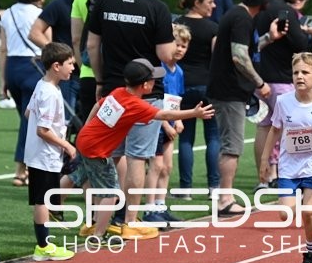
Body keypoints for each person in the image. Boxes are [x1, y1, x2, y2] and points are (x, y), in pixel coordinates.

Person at [71, 59, 214, 242]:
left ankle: (91, 224)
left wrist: (86, 127)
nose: (156, 83)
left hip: (85, 141)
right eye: (153, 80)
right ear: (145, 85)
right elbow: (164, 114)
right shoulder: (136, 105)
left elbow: (98, 105)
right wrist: (194, 113)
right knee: (111, 194)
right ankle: (98, 234)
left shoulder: (118, 92)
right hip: (96, 151)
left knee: (91, 184)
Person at [86, 0, 175, 239]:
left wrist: (101, 80)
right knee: (137, 157)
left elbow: (92, 45)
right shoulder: (157, 8)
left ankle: (99, 218)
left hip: (113, 89)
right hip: (145, 93)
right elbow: (166, 55)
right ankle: (129, 221)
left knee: (111, 154)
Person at [258, 52, 312, 263]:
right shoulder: (283, 101)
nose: (299, 76)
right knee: (285, 214)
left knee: (309, 211)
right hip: (288, 166)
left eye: (305, 72)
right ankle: (298, 202)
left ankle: (311, 255)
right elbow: (275, 129)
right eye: (296, 72)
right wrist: (265, 159)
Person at [207, 0, 273, 216]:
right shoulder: (242, 18)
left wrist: (269, 38)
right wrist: (260, 83)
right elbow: (239, 56)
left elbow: (245, 49)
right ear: (262, 0)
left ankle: (224, 197)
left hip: (229, 90)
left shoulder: (239, 15)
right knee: (232, 146)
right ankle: (225, 199)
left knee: (230, 144)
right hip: (229, 91)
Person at [253, 0, 311, 191]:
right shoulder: (284, 10)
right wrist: (306, 35)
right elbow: (299, 43)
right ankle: (287, 176)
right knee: (291, 128)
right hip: (282, 79)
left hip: (261, 78)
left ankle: (265, 178)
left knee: (264, 127)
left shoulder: (258, 8)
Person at [24, 42, 77, 260]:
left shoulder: (42, 85)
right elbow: (42, 130)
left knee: (43, 199)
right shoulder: (50, 93)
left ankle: (44, 243)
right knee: (42, 200)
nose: (73, 68)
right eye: (69, 64)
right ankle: (44, 246)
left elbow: (28, 113)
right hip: (44, 156)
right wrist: (66, 144)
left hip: (39, 154)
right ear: (56, 66)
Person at [29, 0, 98, 122]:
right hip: (68, 75)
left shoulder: (102, 3)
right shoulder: (60, 4)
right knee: (63, 122)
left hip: (93, 72)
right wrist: (60, 54)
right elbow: (35, 33)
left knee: (94, 123)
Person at [0, 0, 45, 187]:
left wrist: (3, 82)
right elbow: (48, 45)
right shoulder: (40, 14)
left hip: (12, 68)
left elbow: (3, 49)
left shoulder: (7, 14)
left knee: (26, 120)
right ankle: (21, 169)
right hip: (33, 67)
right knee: (29, 122)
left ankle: (25, 168)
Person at [70, 0, 128, 125]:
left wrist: (84, 68)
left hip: (89, 72)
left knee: (91, 132)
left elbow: (76, 39)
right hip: (123, 74)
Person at [174, 0, 220, 196]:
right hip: (207, 85)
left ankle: (185, 188)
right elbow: (217, 59)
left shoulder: (177, 24)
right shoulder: (213, 28)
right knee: (213, 137)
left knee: (185, 138)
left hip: (182, 85)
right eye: (209, 1)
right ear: (197, 3)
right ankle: (214, 187)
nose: (213, 5)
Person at [143, 24, 189, 224]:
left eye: (184, 46)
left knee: (167, 166)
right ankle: (149, 208)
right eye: (177, 45)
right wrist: (166, 125)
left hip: (169, 122)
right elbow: (155, 101)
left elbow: (175, 98)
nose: (180, 49)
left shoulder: (179, 71)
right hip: (158, 123)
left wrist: (178, 119)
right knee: (156, 165)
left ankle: (161, 205)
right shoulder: (159, 69)